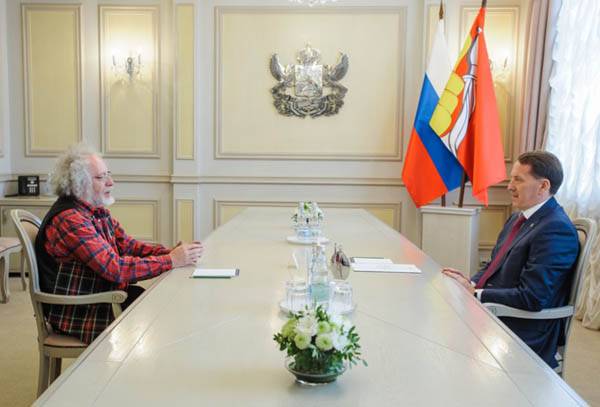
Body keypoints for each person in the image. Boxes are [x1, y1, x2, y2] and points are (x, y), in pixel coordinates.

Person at [35, 144, 204, 344]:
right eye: (101, 177)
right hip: (81, 310)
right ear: (78, 184)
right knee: (164, 322)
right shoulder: (70, 219)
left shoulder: (95, 212)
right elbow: (115, 269)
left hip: (102, 297)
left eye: (108, 174)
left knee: (165, 306)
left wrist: (171, 253)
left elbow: (129, 246)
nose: (111, 182)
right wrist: (171, 260)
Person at [442, 150, 579, 368]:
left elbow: (532, 297)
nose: (509, 186)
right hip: (495, 314)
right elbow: (493, 266)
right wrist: (470, 283)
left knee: (442, 336)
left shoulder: (555, 229)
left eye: (518, 180)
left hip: (522, 330)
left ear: (543, 186)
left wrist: (476, 294)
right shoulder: (518, 218)